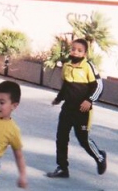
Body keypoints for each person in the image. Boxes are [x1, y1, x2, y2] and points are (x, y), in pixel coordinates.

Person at [45, 38, 107, 179]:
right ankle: (62, 168)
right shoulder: (67, 66)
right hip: (68, 108)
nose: (75, 52)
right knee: (61, 137)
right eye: (73, 49)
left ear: (85, 54)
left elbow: (98, 86)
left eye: (79, 50)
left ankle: (100, 157)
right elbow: (66, 86)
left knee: (83, 139)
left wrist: (90, 100)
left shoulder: (88, 66)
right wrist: (58, 98)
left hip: (82, 110)